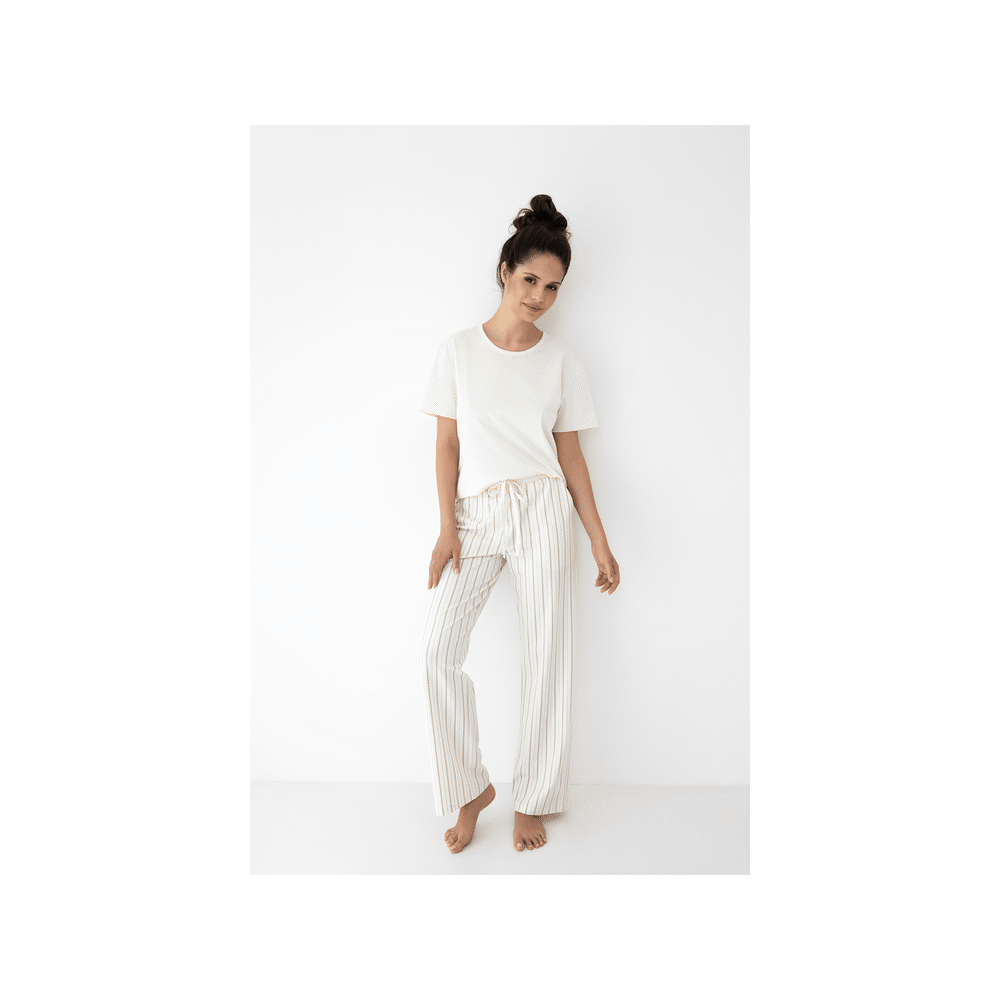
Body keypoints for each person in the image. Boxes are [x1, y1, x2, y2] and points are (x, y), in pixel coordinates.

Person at [418, 194, 620, 855]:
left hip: (542, 509)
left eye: (552, 288)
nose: (539, 296)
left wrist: (598, 539)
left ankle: (533, 798)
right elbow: (447, 446)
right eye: (530, 279)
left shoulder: (561, 362)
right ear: (504, 271)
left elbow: (571, 457)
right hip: (476, 513)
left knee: (548, 654)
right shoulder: (456, 351)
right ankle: (470, 788)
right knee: (437, 652)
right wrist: (447, 528)